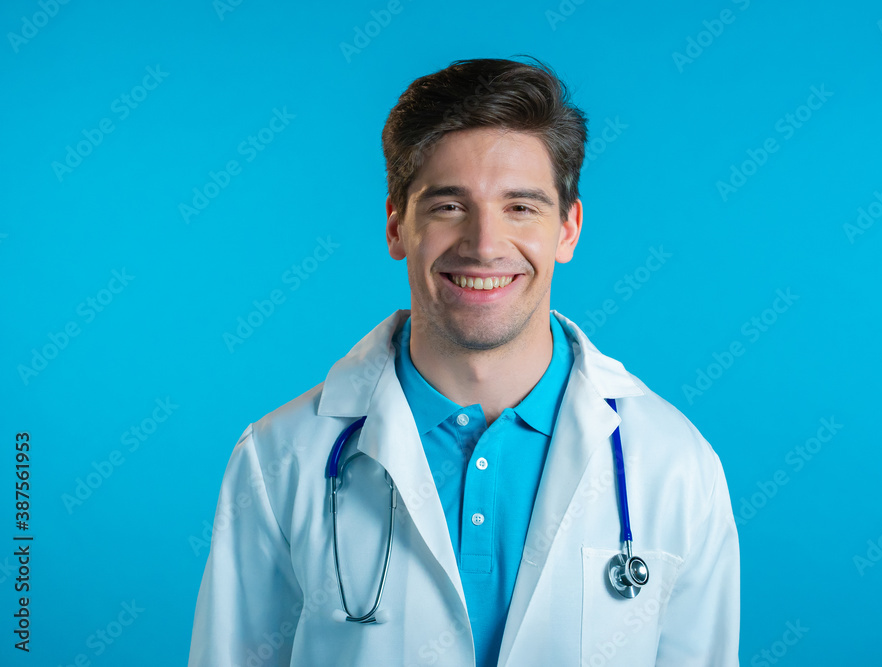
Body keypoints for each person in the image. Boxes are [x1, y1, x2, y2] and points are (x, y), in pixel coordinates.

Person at [188, 56, 740, 667]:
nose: (483, 245)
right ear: (397, 226)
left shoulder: (674, 463)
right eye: (449, 206)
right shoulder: (279, 459)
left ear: (568, 229)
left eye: (521, 207)